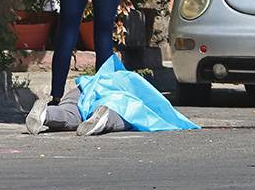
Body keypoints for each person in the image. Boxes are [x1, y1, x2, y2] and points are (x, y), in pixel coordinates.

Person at [26, 55, 199, 136]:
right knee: (126, 116)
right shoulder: (131, 82)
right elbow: (156, 111)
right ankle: (104, 119)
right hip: (114, 99)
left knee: (69, 112)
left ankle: (45, 113)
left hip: (83, 89)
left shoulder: (105, 75)